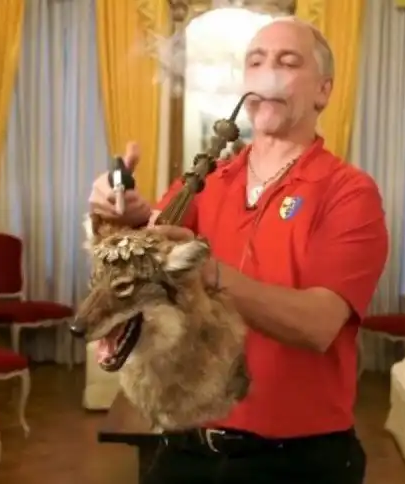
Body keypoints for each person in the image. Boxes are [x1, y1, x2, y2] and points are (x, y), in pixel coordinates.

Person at [89, 16, 389, 484]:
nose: (268, 74)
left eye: (287, 62)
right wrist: (121, 215)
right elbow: (149, 263)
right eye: (256, 62)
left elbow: (319, 324)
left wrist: (209, 272)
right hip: (187, 445)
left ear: (323, 91)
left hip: (298, 460)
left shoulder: (349, 192)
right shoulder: (206, 181)